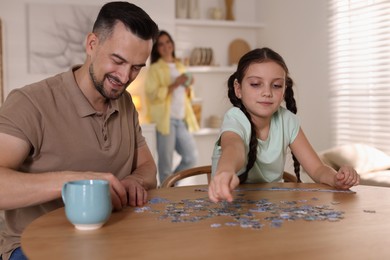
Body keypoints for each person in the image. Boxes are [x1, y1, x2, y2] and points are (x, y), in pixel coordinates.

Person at [0, 2, 159, 260]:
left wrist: (135, 182)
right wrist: (78, 182)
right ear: (92, 44)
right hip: (34, 246)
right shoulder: (30, 102)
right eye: (117, 60)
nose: (125, 76)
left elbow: (148, 168)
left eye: (137, 67)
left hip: (111, 241)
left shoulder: (126, 103)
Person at [208, 47, 360, 203]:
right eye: (255, 84)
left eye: (276, 85)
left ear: (285, 90)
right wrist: (226, 170)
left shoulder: (288, 121)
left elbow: (317, 169)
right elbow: (234, 147)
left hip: (272, 208)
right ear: (238, 89)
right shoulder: (234, 118)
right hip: (231, 206)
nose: (267, 92)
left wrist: (337, 178)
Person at [145, 30, 199, 185]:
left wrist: (189, 85)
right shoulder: (155, 69)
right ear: (157, 48)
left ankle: (168, 184)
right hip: (165, 121)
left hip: (182, 119)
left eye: (168, 42)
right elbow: (152, 95)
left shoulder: (180, 66)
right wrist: (174, 84)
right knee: (165, 165)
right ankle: (166, 197)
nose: (165, 46)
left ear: (173, 44)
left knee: (191, 158)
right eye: (161, 44)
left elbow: (187, 95)